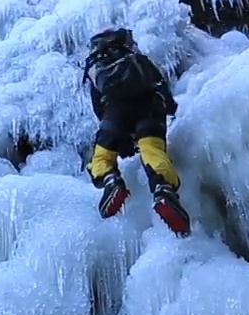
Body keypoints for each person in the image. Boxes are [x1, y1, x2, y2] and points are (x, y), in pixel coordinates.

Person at [81, 27, 191, 236]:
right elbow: (161, 88)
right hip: (149, 110)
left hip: (114, 113)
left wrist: (114, 133)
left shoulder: (98, 68)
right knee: (152, 151)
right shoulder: (137, 59)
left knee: (101, 156)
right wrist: (170, 108)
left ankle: (111, 180)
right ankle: (163, 190)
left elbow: (98, 107)